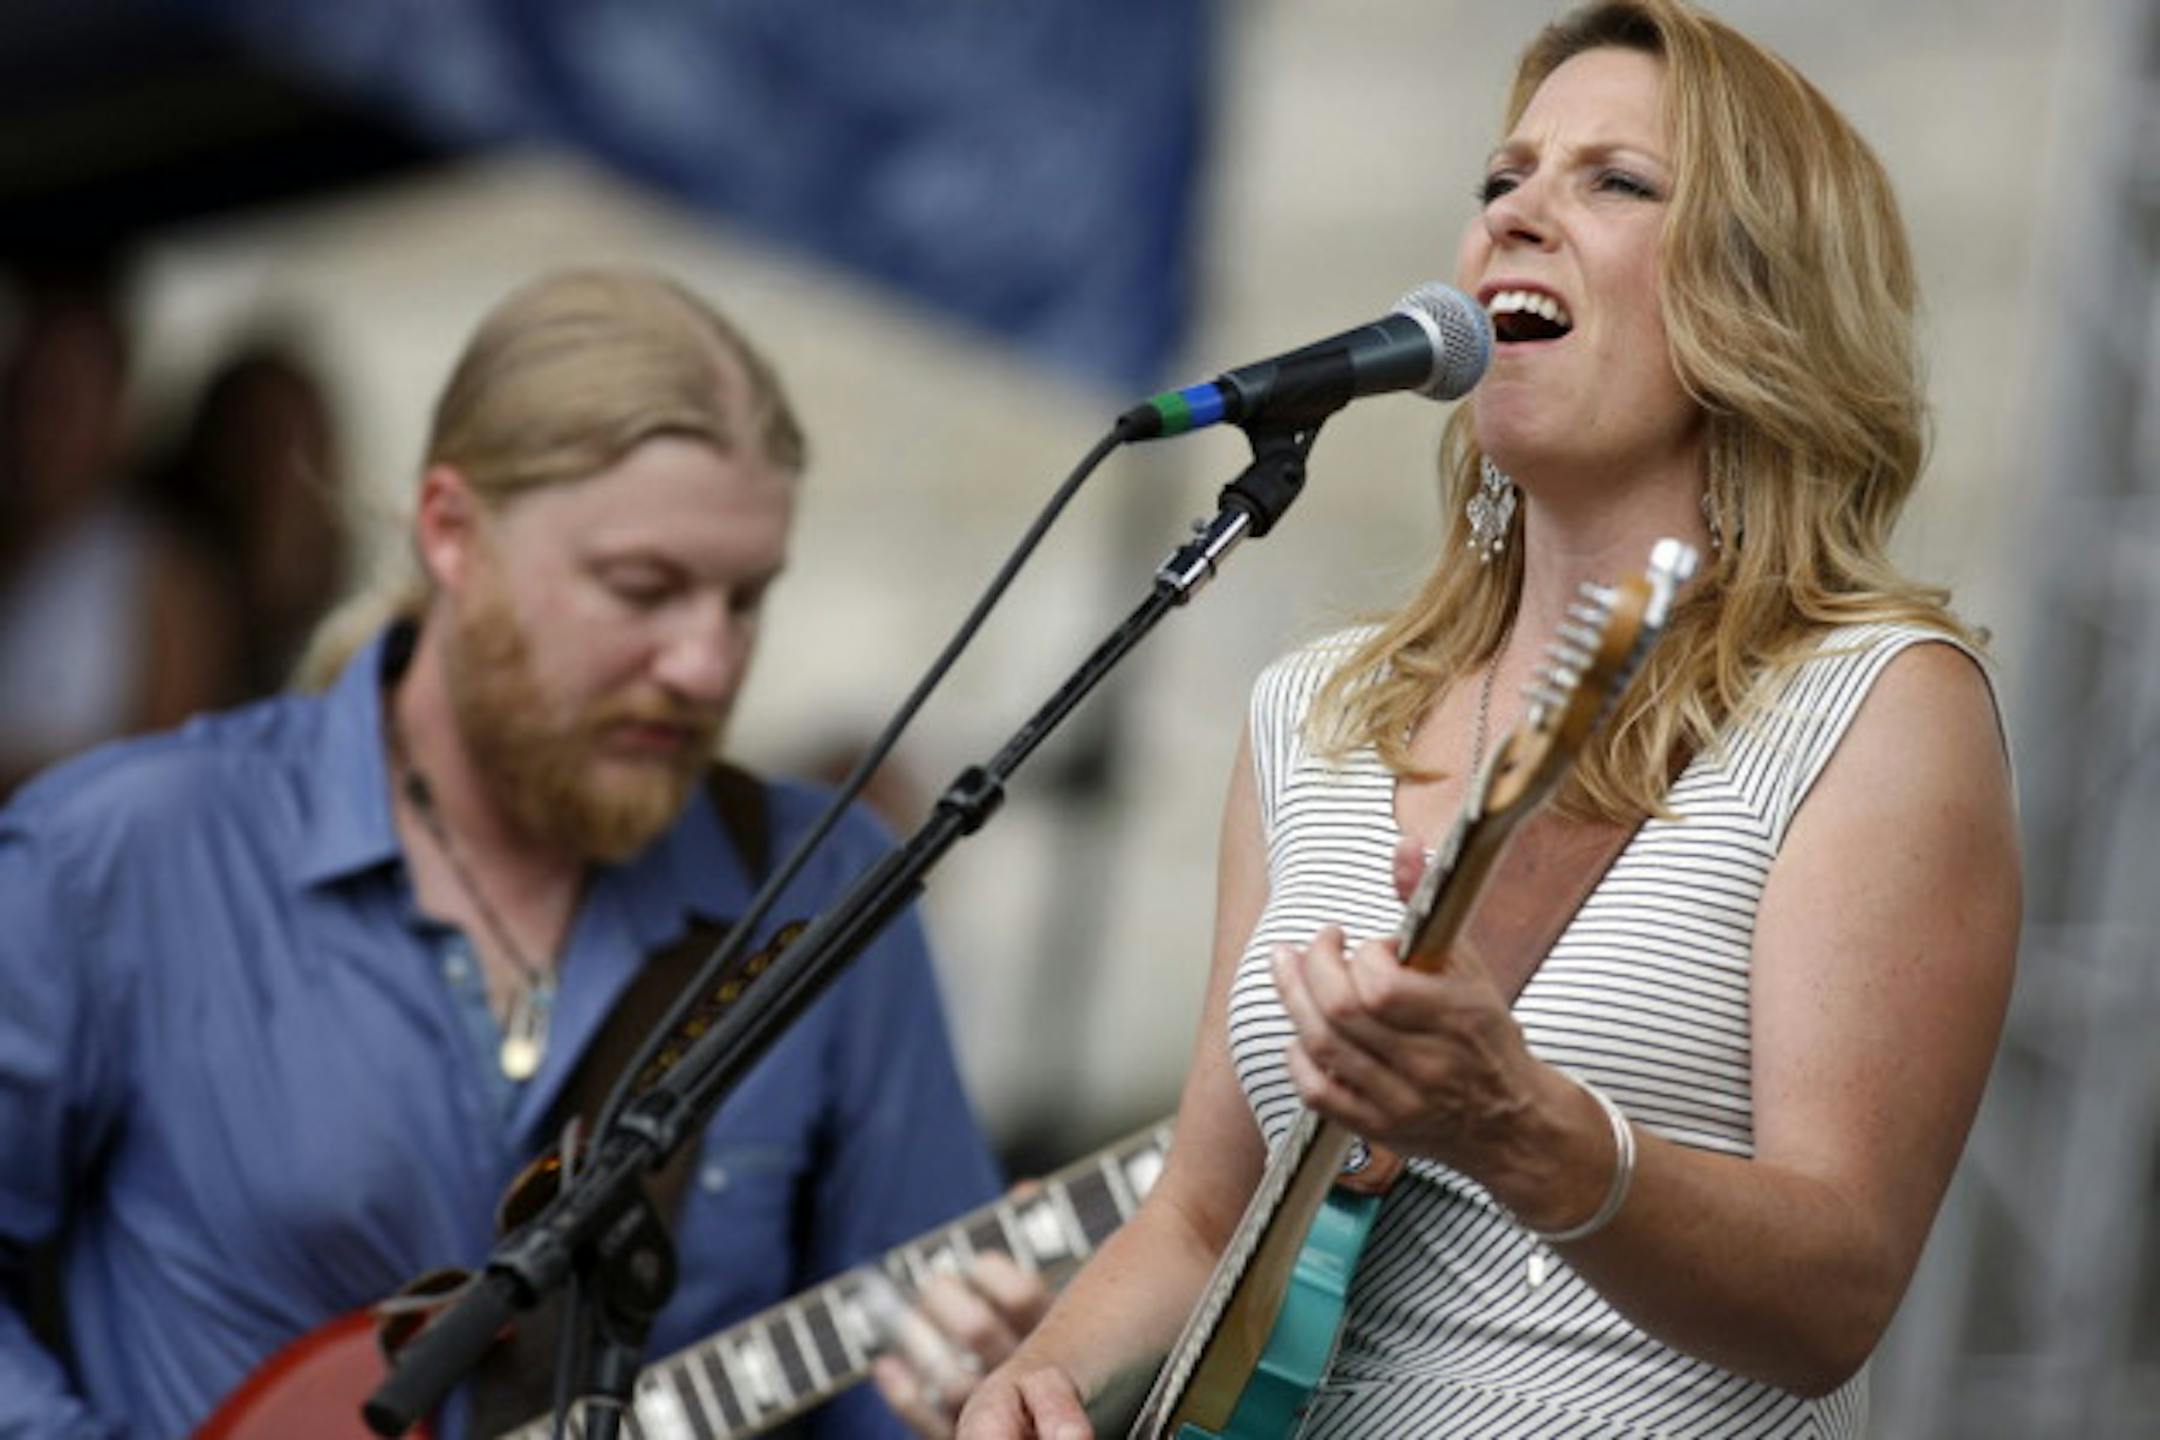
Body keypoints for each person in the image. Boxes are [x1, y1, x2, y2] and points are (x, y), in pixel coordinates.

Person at [959, 2, 2020, 1437]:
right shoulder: (1315, 715)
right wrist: (1040, 1384)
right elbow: (1206, 1217)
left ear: (1761, 295)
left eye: (1615, 182)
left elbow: (1836, 1292)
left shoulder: (1876, 704)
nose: (1520, 213)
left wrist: (1525, 1126)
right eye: (1501, 179)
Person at [0, 267, 1043, 1439]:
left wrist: (968, 1400)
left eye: (745, 600)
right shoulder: (129, 852)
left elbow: (904, 1386)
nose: (706, 662)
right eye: (642, 588)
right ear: (452, 533)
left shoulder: (822, 891)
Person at [0, 270, 238, 799]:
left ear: (117, 409)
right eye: (24, 392)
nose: (37, 424)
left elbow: (166, 771)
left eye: (63, 397)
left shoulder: (162, 572)